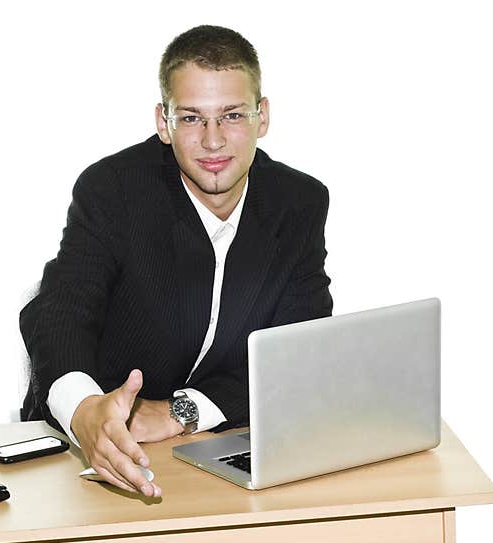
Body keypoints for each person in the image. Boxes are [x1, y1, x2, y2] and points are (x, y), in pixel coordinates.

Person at [19, 25, 333, 498]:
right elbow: (60, 311)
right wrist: (85, 411)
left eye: (231, 115)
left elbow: (297, 350)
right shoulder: (112, 191)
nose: (213, 141)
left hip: (217, 445)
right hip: (95, 453)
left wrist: (180, 411)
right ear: (163, 123)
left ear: (262, 117)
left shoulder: (299, 202)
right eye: (190, 118)